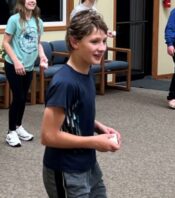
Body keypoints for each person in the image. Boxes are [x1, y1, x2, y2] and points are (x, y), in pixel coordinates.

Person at [41, 10, 121, 198]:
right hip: (66, 170)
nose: (102, 48)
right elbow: (48, 136)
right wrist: (94, 142)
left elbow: (74, 113)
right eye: (94, 41)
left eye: (103, 41)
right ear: (75, 42)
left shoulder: (87, 72)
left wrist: (99, 127)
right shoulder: (65, 83)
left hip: (88, 164)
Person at [1, 0, 49, 147]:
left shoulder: (38, 22)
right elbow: (5, 43)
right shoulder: (14, 20)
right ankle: (10, 132)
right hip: (13, 65)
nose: (32, 1)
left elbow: (38, 43)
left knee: (23, 98)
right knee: (18, 97)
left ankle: (18, 126)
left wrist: (42, 56)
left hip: (28, 66)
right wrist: (16, 62)